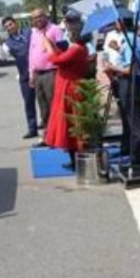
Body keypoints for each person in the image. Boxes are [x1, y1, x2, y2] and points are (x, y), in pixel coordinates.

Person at [41, 15, 92, 169]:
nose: (68, 33)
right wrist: (53, 46)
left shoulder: (77, 48)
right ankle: (73, 157)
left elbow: (58, 60)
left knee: (70, 122)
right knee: (67, 121)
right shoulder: (76, 48)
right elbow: (62, 57)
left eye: (69, 31)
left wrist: (49, 47)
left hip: (70, 87)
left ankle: (77, 158)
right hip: (66, 85)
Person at [100, 17, 140, 166]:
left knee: (135, 121)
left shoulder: (131, 41)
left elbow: (131, 69)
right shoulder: (127, 40)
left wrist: (113, 68)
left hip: (130, 82)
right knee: (131, 119)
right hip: (128, 81)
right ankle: (136, 153)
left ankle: (139, 158)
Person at [28, 8, 64, 143]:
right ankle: (47, 136)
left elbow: (62, 50)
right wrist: (31, 74)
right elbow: (31, 55)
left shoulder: (55, 30)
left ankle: (58, 136)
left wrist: (51, 44)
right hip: (38, 75)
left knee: (54, 105)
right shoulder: (34, 33)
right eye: (34, 18)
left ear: (45, 16)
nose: (37, 20)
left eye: (39, 17)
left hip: (51, 73)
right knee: (43, 106)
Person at [2, 16, 38, 140]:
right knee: (29, 103)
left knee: (45, 101)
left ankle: (49, 126)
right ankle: (32, 128)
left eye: (10, 25)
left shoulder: (29, 32)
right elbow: (3, 57)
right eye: (6, 27)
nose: (9, 28)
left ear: (16, 24)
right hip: (25, 75)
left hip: (40, 72)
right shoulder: (8, 43)